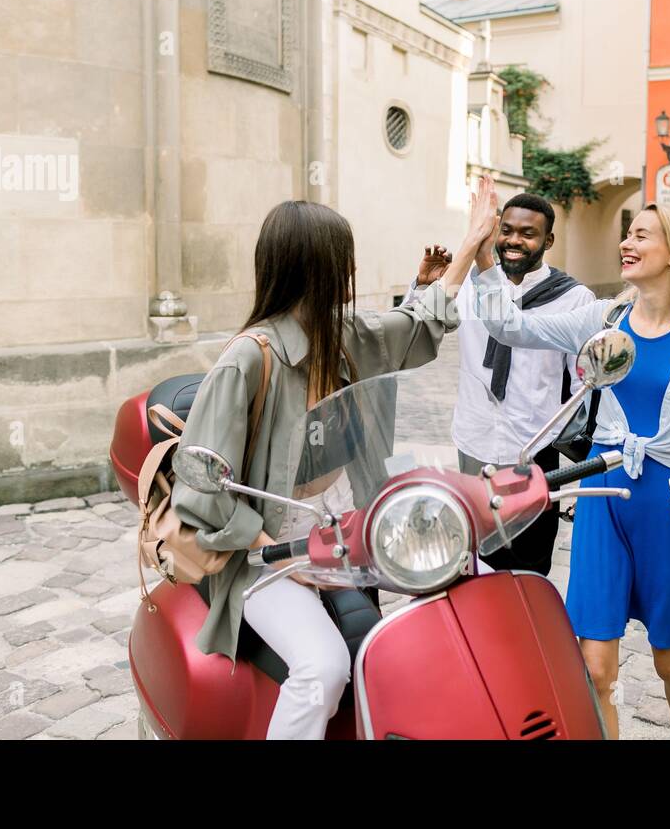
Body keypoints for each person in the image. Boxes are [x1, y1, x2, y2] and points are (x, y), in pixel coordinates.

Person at [171, 183, 499, 740]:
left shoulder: (340, 332)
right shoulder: (248, 361)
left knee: (477, 584)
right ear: (314, 266)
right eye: (343, 256)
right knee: (323, 667)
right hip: (265, 553)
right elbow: (204, 490)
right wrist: (272, 556)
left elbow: (416, 328)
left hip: (346, 526)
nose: (353, 265)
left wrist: (469, 246)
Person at [470, 203, 670, 740]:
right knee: (595, 669)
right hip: (604, 498)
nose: (626, 242)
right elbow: (507, 325)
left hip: (669, 506)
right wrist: (484, 251)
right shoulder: (602, 319)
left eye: (641, 235)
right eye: (627, 234)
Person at [406, 192, 594, 575]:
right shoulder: (469, 286)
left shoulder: (574, 299)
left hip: (533, 447)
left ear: (548, 241)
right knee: (475, 562)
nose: (513, 240)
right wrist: (425, 285)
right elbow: (417, 329)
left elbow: (582, 389)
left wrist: (579, 453)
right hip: (474, 441)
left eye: (528, 233)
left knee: (529, 564)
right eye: (506, 230)